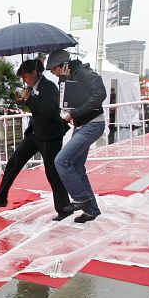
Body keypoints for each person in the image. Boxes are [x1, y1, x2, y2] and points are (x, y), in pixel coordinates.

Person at [0, 59, 71, 221]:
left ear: (34, 73)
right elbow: (36, 110)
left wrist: (29, 99)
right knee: (13, 163)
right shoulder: (31, 87)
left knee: (52, 172)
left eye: (25, 77)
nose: (24, 81)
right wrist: (23, 101)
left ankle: (64, 208)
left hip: (50, 136)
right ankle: (0, 198)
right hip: (34, 134)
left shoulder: (50, 87)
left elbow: (47, 111)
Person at [46, 49, 107, 223]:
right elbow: (65, 101)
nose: (52, 72)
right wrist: (63, 80)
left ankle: (80, 199)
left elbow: (101, 93)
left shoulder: (84, 72)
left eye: (53, 69)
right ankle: (91, 211)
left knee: (62, 160)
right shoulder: (68, 76)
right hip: (81, 125)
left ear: (63, 65)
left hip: (93, 123)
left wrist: (76, 113)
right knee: (77, 167)